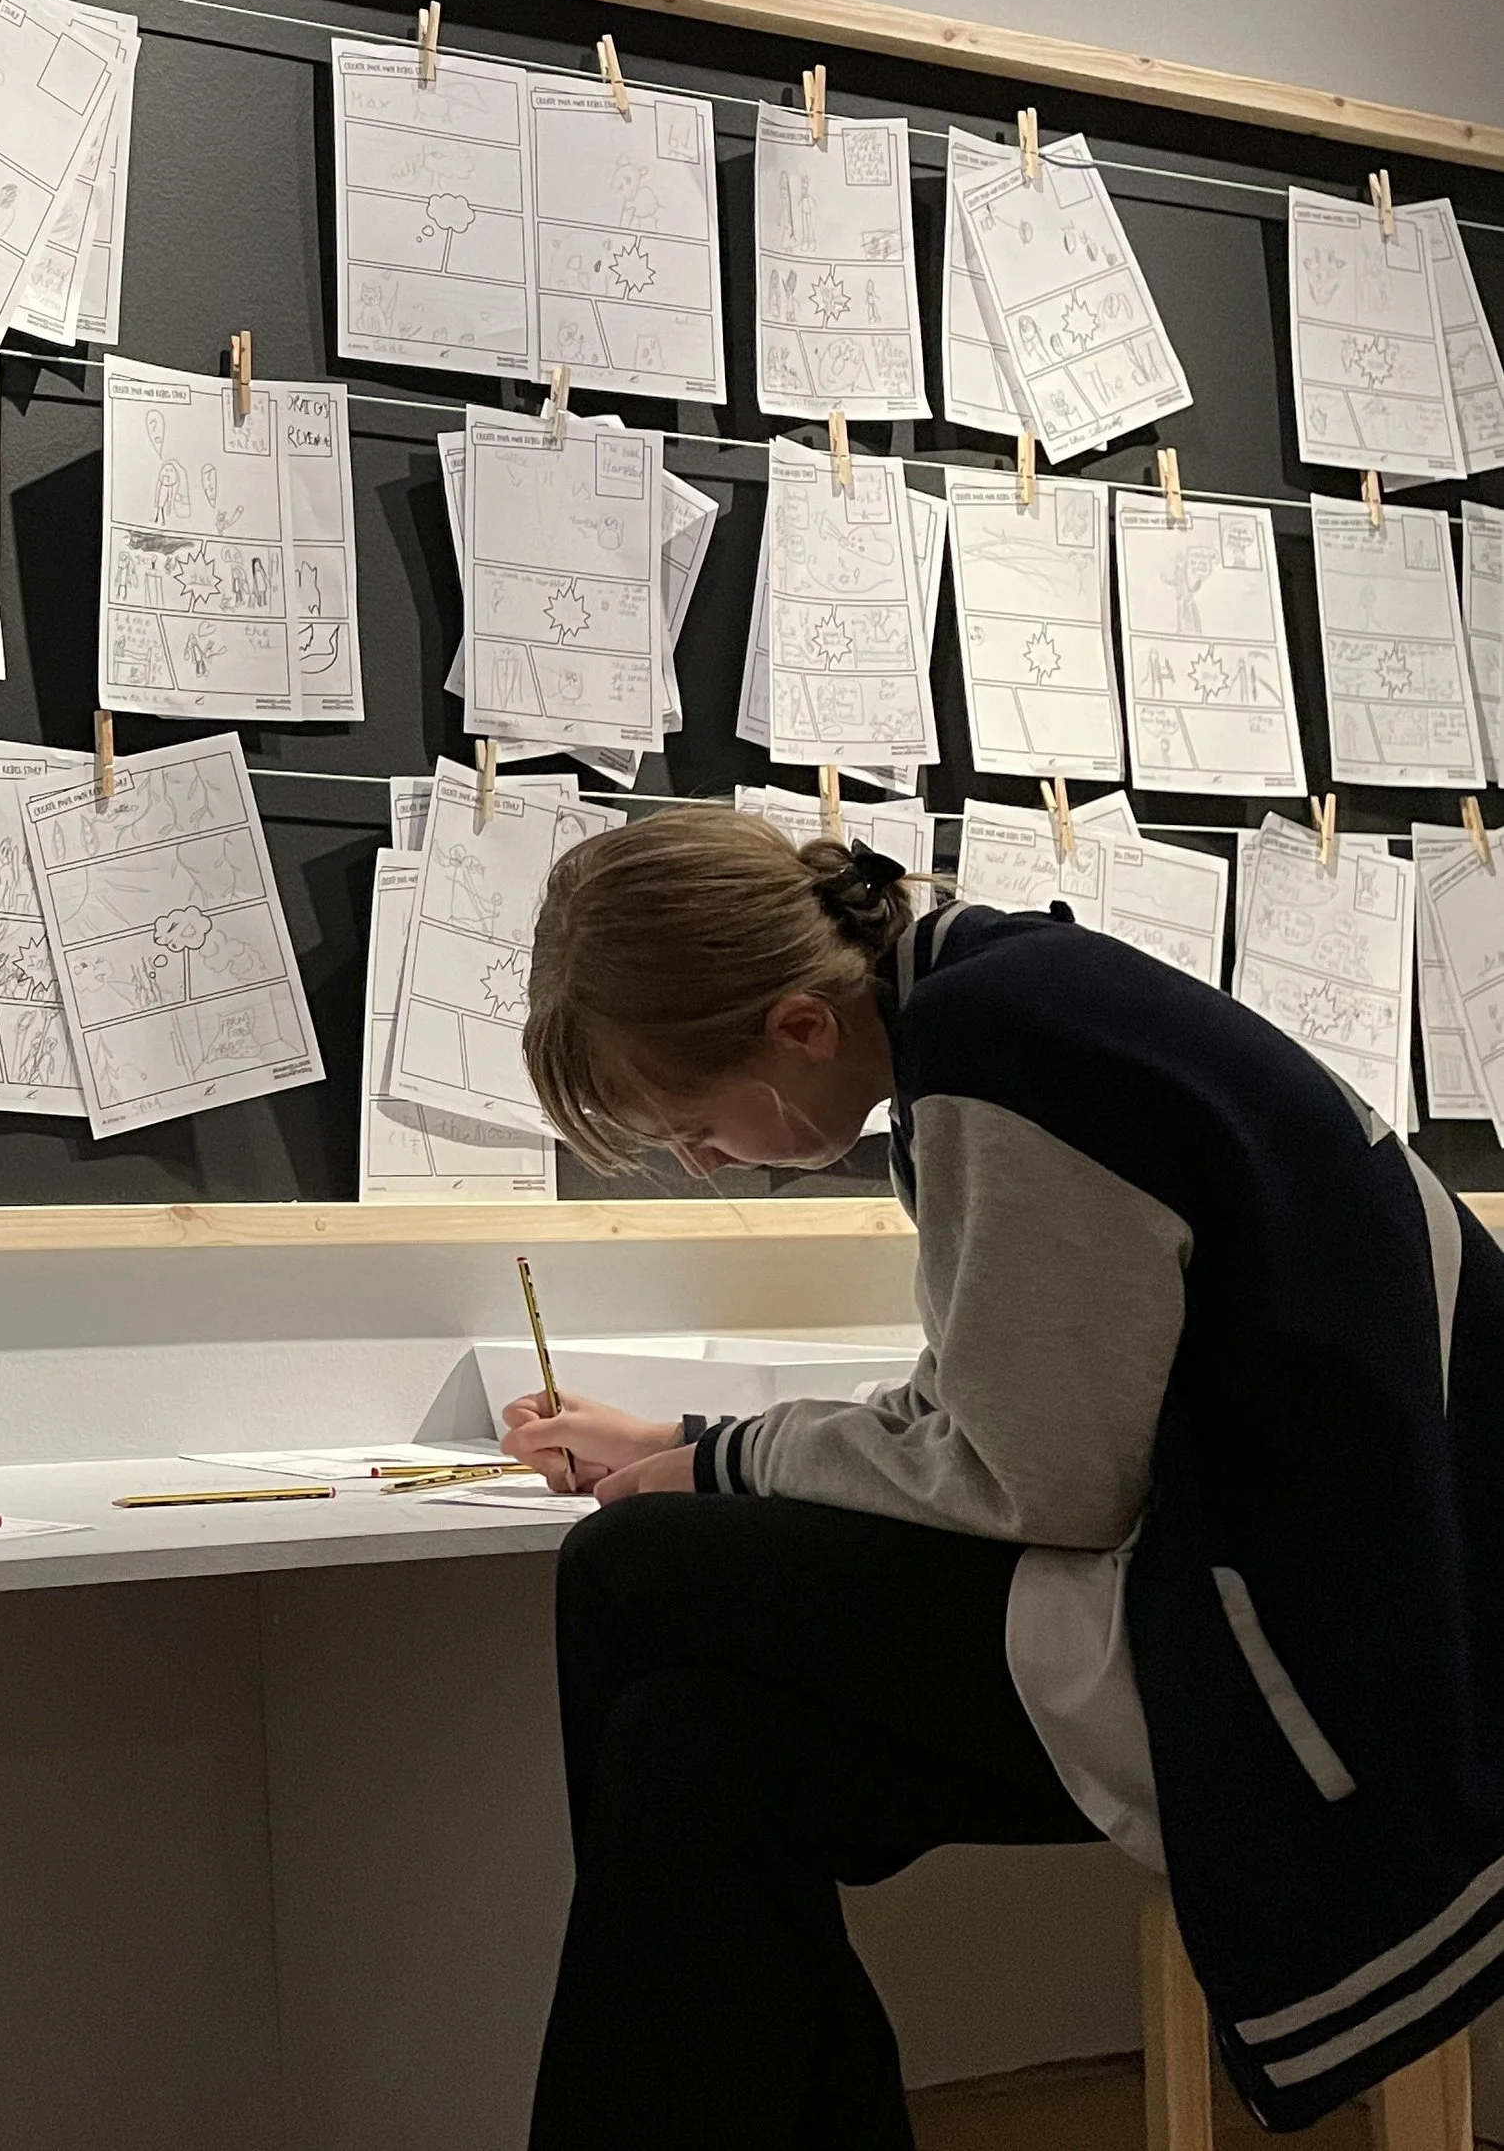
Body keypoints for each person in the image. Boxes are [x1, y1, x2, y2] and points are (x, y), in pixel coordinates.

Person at [497, 808, 1504, 2145]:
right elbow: (1006, 1411)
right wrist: (694, 1441)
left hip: (1329, 1670)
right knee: (696, 1754)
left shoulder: (999, 1048)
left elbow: (1039, 1482)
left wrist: (719, 1461)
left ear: (798, 1027)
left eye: (698, 1129)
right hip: (1295, 1598)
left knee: (629, 1574)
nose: (704, 1163)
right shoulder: (1002, 997)